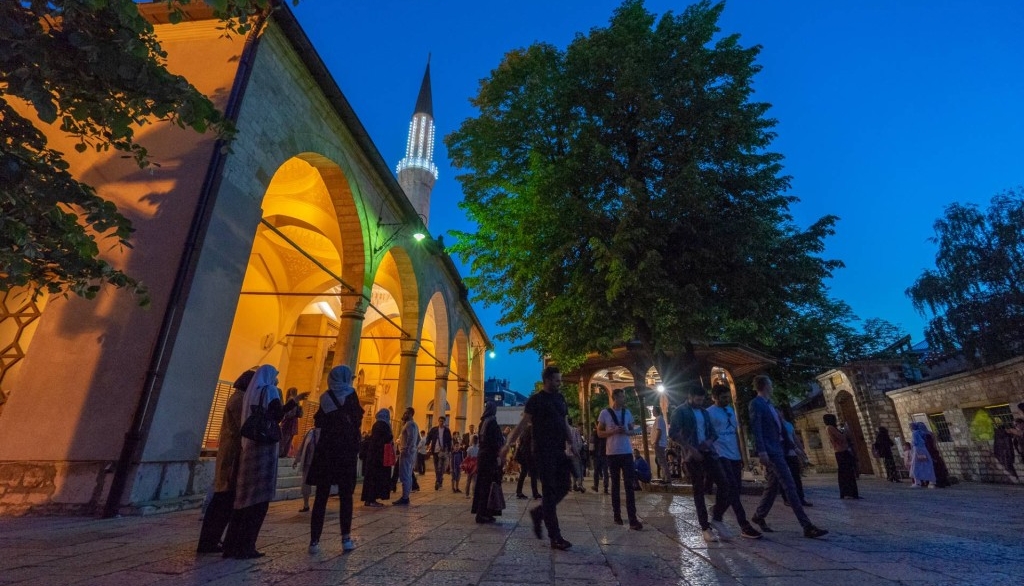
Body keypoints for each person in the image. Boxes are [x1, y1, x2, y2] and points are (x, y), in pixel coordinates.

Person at [223, 365, 304, 558]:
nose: (277, 380)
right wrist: (294, 402)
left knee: (243, 500)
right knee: (258, 500)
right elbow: (277, 415)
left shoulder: (251, 393)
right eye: (275, 376)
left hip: (249, 446)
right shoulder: (270, 391)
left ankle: (231, 544)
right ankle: (246, 545)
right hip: (264, 448)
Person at [501, 366, 575, 550]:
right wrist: (508, 445)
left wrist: (572, 442)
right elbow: (522, 424)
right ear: (548, 380)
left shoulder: (560, 398)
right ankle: (555, 536)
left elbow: (564, 422)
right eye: (557, 380)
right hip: (542, 451)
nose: (560, 383)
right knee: (549, 492)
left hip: (559, 450)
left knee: (565, 486)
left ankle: (539, 512)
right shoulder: (536, 400)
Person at [748, 375, 827, 539]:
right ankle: (806, 525)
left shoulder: (771, 406)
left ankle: (759, 515)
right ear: (765, 386)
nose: (773, 387)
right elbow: (756, 429)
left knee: (772, 485)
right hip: (771, 451)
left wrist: (792, 446)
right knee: (789, 485)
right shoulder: (756, 404)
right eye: (771, 384)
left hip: (780, 448)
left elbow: (780, 428)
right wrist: (761, 451)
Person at [306, 365, 363, 554]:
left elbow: (318, 422)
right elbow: (357, 421)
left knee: (321, 497)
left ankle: (314, 541)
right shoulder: (351, 396)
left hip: (326, 452)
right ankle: (346, 538)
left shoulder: (325, 398)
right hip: (345, 452)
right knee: (346, 496)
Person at [197, 368, 253, 554]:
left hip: (233, 454)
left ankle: (212, 539)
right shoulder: (239, 400)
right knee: (222, 500)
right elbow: (244, 426)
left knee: (225, 501)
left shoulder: (239, 398)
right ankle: (208, 541)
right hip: (231, 455)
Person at [705, 384, 761, 539]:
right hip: (721, 454)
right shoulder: (709, 413)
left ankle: (717, 512)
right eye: (723, 398)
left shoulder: (730, 410)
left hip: (734, 454)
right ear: (714, 397)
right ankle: (744, 524)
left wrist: (743, 455)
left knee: (735, 490)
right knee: (731, 488)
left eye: (727, 397)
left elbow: (736, 433)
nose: (726, 400)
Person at [670, 384, 724, 541]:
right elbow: (673, 433)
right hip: (692, 455)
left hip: (708, 452)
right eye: (697, 399)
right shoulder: (680, 411)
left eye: (702, 400)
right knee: (698, 489)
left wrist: (708, 441)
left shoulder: (704, 412)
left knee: (725, 484)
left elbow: (713, 433)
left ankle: (717, 516)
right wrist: (690, 449)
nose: (700, 402)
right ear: (690, 397)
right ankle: (705, 527)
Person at [598, 387, 643, 531]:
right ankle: (616, 514)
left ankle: (633, 518)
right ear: (615, 398)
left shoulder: (627, 413)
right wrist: (612, 432)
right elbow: (599, 433)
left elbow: (632, 431)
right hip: (612, 452)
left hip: (626, 451)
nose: (624, 399)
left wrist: (627, 431)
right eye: (622, 397)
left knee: (629, 485)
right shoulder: (605, 413)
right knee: (615, 485)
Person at [471, 402, 505, 523]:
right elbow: (496, 442)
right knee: (488, 485)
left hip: (483, 456)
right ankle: (482, 514)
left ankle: (484, 512)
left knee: (483, 484)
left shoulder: (482, 423)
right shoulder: (492, 423)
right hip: (489, 458)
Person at [361, 409, 393, 506]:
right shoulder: (383, 426)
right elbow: (386, 438)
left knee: (371, 478)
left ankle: (369, 499)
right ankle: (372, 499)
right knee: (376, 478)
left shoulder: (376, 425)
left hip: (373, 456)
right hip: (379, 456)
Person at [824, 414, 860, 499]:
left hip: (842, 451)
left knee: (848, 473)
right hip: (841, 451)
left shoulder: (830, 428)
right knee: (845, 473)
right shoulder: (830, 428)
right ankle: (848, 493)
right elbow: (841, 437)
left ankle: (851, 493)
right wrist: (846, 432)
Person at [392, 407, 418, 505]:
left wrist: (406, 449)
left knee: (405, 475)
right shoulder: (413, 424)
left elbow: (411, 438)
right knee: (407, 474)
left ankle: (405, 497)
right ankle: (405, 496)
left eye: (406, 413)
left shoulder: (409, 424)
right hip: (410, 452)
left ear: (410, 414)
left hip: (406, 452)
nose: (404, 414)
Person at [292, 426, 318, 512]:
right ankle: (306, 504)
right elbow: (303, 446)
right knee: (305, 484)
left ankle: (319, 505)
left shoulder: (329, 432)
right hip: (308, 462)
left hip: (321, 463)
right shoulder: (310, 432)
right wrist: (297, 460)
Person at [426, 416, 453, 490]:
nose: (441, 422)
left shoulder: (447, 430)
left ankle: (438, 481)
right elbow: (429, 437)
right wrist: (427, 444)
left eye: (442, 421)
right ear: (438, 421)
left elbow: (449, 440)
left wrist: (449, 450)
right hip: (435, 450)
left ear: (444, 422)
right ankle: (438, 481)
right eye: (440, 421)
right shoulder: (434, 429)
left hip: (443, 451)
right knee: (436, 467)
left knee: (441, 467)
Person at [515, 424, 541, 499]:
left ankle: (519, 491)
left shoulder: (524, 429)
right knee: (533, 474)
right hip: (529, 455)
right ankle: (534, 493)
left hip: (524, 454)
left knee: (524, 473)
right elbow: (533, 443)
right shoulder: (532, 429)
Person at [909, 421, 936, 488]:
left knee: (916, 466)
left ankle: (917, 482)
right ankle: (931, 482)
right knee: (927, 465)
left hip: (917, 450)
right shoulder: (923, 433)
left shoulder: (915, 433)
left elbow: (915, 442)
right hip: (924, 450)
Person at [278, 387, 303, 457]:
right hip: (291, 423)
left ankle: (281, 454)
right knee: (286, 440)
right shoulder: (294, 401)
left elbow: (293, 414)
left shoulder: (294, 401)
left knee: (285, 440)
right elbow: (291, 414)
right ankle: (281, 454)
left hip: (290, 423)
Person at [652, 404, 669, 484]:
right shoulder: (659, 419)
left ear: (656, 411)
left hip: (659, 443)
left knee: (662, 461)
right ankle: (664, 477)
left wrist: (656, 442)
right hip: (660, 443)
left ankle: (666, 478)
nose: (652, 412)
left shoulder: (659, 419)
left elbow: (659, 431)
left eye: (653, 410)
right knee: (661, 461)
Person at [590, 422, 609, 494]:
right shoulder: (606, 433)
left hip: (596, 455)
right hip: (605, 454)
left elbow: (592, 443)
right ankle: (606, 487)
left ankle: (596, 486)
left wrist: (591, 453)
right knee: (605, 471)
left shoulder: (594, 433)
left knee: (596, 471)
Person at [463, 434, 480, 499]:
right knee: (474, 480)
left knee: (468, 480)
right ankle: (473, 494)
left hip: (470, 465)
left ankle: (467, 494)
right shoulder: (478, 449)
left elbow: (467, 457)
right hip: (475, 465)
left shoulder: (469, 448)